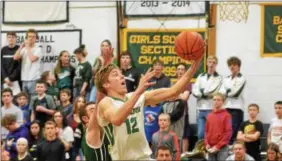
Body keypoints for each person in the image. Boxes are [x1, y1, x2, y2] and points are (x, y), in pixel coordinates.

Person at [95, 54, 202, 160]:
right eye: (115, 74)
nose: (122, 76)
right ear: (106, 84)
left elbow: (174, 91)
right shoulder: (105, 103)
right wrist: (138, 92)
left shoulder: (136, 97)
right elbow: (117, 119)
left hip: (144, 157)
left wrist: (195, 65)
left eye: (121, 73)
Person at [192, 55, 222, 140]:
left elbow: (213, 92)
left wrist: (202, 92)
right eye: (210, 62)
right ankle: (201, 152)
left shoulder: (219, 78)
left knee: (211, 133)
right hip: (200, 108)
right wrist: (202, 93)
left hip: (211, 108)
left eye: (214, 63)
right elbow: (195, 90)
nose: (211, 64)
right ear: (206, 63)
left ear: (216, 64)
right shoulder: (201, 76)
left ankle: (210, 152)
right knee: (200, 134)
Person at [219, 56, 246, 144]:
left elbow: (235, 93)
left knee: (234, 132)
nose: (232, 67)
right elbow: (221, 92)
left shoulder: (242, 78)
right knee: (226, 130)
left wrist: (226, 92)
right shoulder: (226, 79)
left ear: (238, 66)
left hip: (236, 108)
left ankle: (234, 151)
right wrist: (228, 91)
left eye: (234, 65)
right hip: (226, 107)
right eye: (230, 65)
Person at [13, 29, 42, 97]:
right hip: (24, 78)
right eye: (29, 36)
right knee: (24, 98)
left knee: (33, 99)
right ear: (26, 38)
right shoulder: (24, 49)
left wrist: (28, 47)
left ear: (36, 38)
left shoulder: (38, 49)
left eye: (33, 37)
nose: (31, 38)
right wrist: (21, 47)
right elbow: (15, 57)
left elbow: (32, 59)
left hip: (33, 78)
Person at [205, 93, 232, 161]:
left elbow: (228, 133)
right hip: (210, 147)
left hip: (222, 148)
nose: (216, 101)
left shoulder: (226, 115)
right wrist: (207, 143)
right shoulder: (209, 115)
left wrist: (217, 146)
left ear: (223, 102)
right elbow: (206, 131)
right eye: (214, 100)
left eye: (218, 100)